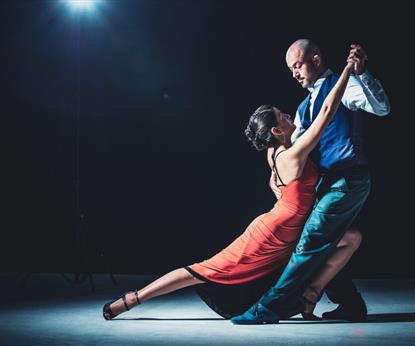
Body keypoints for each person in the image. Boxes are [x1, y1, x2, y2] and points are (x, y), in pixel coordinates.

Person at [102, 49, 356, 321]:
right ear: (276, 131)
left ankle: (311, 296)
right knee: (204, 270)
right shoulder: (293, 155)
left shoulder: (275, 152)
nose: (289, 116)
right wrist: (347, 71)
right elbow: (327, 112)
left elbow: (278, 183)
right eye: (282, 116)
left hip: (289, 228)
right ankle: (132, 299)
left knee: (352, 239)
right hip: (271, 235)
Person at [231, 40, 390, 324]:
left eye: (297, 65)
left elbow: (381, 108)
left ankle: (270, 307)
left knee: (311, 241)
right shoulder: (303, 107)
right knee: (331, 241)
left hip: (348, 178)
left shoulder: (346, 85)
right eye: (290, 68)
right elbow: (291, 144)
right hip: (325, 184)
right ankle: (349, 304)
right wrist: (274, 171)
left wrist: (362, 74)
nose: (294, 73)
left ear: (315, 60)